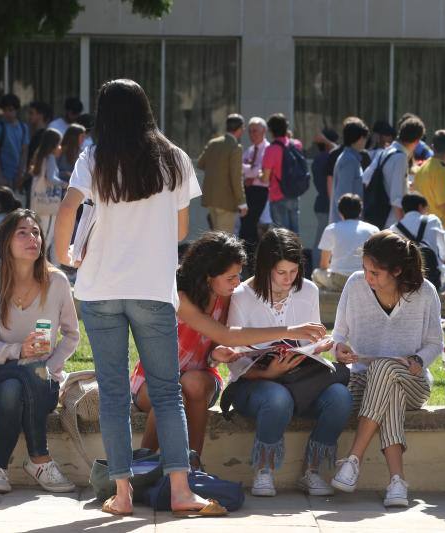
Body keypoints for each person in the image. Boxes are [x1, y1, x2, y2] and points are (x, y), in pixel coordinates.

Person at [53, 79, 226, 517]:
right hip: (153, 288)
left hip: (100, 287)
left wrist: (64, 254)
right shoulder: (173, 157)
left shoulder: (94, 157)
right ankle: (181, 490)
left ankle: (123, 494)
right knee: (167, 392)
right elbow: (183, 229)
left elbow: (68, 206)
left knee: (112, 393)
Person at [131, 232, 326, 457]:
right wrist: (290, 330)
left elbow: (217, 347)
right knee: (173, 394)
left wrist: (216, 354)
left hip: (200, 377)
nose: (237, 283)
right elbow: (225, 334)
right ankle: (143, 462)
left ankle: (194, 463)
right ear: (208, 276)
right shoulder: (181, 299)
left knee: (191, 383)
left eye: (238, 275)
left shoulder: (227, 296)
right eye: (230, 277)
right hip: (155, 381)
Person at [222, 228, 352, 497]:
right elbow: (233, 357)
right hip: (255, 383)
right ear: (266, 266)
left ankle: (312, 471)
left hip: (301, 380)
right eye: (281, 272)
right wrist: (267, 372)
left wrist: (323, 346)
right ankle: (264, 470)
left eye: (293, 272)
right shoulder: (242, 296)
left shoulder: (309, 291)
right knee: (277, 398)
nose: (288, 279)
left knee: (340, 397)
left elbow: (310, 344)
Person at [330, 230, 442, 507]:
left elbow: (434, 344)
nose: (367, 278)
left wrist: (417, 361)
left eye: (375, 273)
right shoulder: (355, 286)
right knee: (386, 384)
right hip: (362, 383)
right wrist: (338, 349)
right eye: (365, 269)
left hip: (412, 381)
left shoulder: (425, 292)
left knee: (385, 371)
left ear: (397, 270)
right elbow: (337, 335)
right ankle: (397, 482)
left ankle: (353, 458)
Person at [0, 210, 79, 494]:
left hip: (42, 382)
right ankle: (39, 460)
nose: (33, 238)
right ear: (5, 241)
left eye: (36, 232)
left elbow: (72, 335)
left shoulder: (57, 282)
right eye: (22, 232)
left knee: (18, 384)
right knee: (11, 382)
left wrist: (50, 367)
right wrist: (19, 350)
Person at [362, 115, 426, 228]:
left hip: (373, 215)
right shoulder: (400, 158)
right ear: (416, 141)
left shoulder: (384, 152)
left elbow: (366, 178)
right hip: (390, 221)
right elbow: (396, 198)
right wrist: (405, 227)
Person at [313, 193, 378, 291]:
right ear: (360, 211)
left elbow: (323, 264)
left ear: (340, 211)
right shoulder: (373, 230)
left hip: (339, 280)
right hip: (365, 279)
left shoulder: (331, 229)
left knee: (316, 274)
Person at [390, 193, 445, 288]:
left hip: (406, 279)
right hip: (432, 277)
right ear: (420, 207)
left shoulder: (394, 228)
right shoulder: (433, 220)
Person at [198, 114, 247, 234]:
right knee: (225, 241)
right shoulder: (235, 147)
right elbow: (236, 178)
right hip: (226, 202)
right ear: (240, 129)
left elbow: (200, 163)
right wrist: (242, 202)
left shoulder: (213, 143)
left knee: (216, 238)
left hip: (211, 198)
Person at [27, 129, 67, 262]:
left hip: (39, 203)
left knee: (39, 235)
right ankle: (39, 266)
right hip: (49, 205)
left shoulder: (39, 157)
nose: (60, 147)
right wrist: (65, 184)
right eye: (59, 144)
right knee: (46, 239)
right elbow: (51, 178)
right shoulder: (50, 158)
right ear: (53, 145)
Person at [262, 113, 303, 233]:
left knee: (281, 235)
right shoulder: (296, 145)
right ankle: (296, 252)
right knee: (294, 233)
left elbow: (265, 178)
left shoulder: (271, 149)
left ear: (270, 130)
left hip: (277, 195)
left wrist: (259, 174)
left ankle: (284, 253)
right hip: (294, 194)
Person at [239, 117, 271, 260]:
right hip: (248, 191)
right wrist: (253, 171)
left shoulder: (268, 149)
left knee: (254, 225)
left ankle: (253, 258)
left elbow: (264, 171)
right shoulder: (250, 150)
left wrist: (252, 172)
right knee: (246, 225)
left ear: (264, 131)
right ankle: (248, 257)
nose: (252, 134)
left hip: (262, 192)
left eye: (255, 131)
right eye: (250, 131)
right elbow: (241, 168)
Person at [329, 118, 369, 224]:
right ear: (360, 138)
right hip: (346, 224)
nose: (365, 141)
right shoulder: (349, 161)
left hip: (347, 223)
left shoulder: (350, 158)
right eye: (365, 138)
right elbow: (343, 196)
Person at [310, 128, 340, 267]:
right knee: (322, 241)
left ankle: (320, 267)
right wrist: (327, 141)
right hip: (326, 205)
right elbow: (337, 149)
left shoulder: (318, 158)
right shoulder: (329, 157)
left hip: (321, 203)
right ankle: (318, 269)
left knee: (322, 239)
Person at [0, 93, 30, 190]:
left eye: (10, 110)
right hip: (3, 175)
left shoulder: (23, 127)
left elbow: (24, 152)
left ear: (16, 110)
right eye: (5, 110)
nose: (7, 113)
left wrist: (21, 173)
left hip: (17, 176)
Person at [27, 101, 53, 168]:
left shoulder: (42, 136)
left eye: (31, 113)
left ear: (41, 115)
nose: (29, 117)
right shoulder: (34, 134)